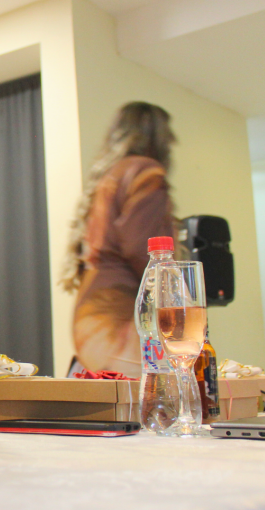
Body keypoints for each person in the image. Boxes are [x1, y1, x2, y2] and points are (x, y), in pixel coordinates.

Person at [60, 101, 177, 376]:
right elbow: (143, 249)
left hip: (91, 314)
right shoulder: (146, 172)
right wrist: (176, 299)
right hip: (121, 316)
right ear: (159, 137)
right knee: (151, 395)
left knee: (118, 398)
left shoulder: (108, 176)